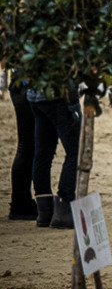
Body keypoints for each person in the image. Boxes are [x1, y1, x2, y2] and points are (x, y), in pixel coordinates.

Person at [28, 80, 82, 229]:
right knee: (75, 151)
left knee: (43, 154)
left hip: (35, 97)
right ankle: (64, 206)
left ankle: (45, 211)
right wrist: (74, 105)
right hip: (57, 97)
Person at [7, 81, 38, 220]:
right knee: (29, 147)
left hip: (19, 87)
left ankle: (20, 200)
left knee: (26, 147)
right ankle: (21, 201)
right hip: (27, 89)